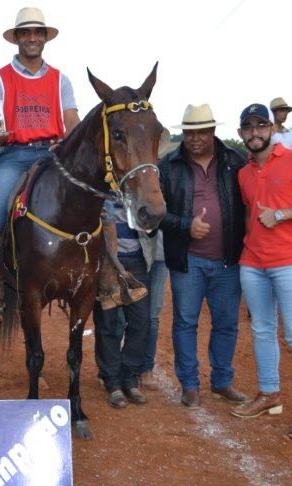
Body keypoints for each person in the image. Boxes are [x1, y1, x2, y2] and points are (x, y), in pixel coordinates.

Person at [0, 6, 80, 320]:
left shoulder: (61, 80)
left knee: (98, 201)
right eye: (25, 32)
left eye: (37, 32)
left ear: (45, 37)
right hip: (15, 156)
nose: (32, 38)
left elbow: (71, 120)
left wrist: (69, 142)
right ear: (16, 38)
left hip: (54, 154)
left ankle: (112, 279)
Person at [231, 103, 292, 439]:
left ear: (272, 129)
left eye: (261, 126)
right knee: (261, 330)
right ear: (241, 133)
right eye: (248, 127)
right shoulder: (244, 173)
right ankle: (269, 394)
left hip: (290, 260)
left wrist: (283, 214)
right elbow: (249, 214)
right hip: (253, 262)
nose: (255, 133)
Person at [158, 104, 249, 409]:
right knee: (185, 323)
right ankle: (190, 385)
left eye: (201, 132)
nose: (194, 138)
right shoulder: (167, 165)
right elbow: (155, 214)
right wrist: (186, 226)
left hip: (228, 259)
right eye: (189, 132)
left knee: (226, 324)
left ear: (213, 131)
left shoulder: (235, 160)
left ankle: (222, 382)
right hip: (188, 260)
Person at [92, 202, 152, 408]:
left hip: (137, 259)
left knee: (142, 320)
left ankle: (130, 377)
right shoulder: (100, 183)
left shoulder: (137, 183)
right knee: (108, 323)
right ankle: (113, 382)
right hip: (106, 262)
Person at [139, 231, 167, 390]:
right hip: (130, 253)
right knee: (120, 314)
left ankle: (146, 369)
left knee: (152, 316)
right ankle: (113, 370)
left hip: (159, 254)